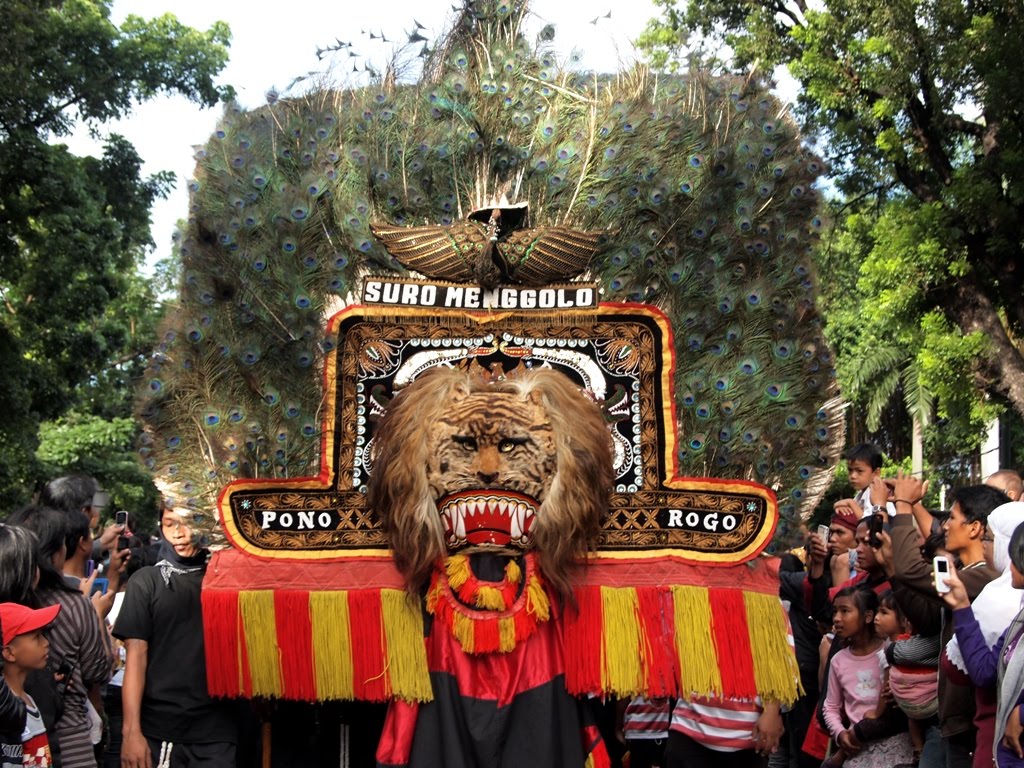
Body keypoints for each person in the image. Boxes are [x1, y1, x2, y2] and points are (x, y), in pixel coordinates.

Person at [887, 477, 1005, 768]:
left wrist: (903, 506)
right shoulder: (967, 572)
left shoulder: (983, 578)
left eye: (953, 518)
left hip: (970, 725)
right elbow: (927, 616)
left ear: (975, 528)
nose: (946, 526)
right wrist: (892, 570)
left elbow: (912, 569)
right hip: (952, 722)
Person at [114, 505, 237, 768]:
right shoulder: (146, 582)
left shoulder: (228, 583)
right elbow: (136, 658)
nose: (178, 534)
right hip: (161, 731)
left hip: (219, 731)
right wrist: (131, 732)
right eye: (169, 524)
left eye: (188, 522)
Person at [8, 507, 114, 768]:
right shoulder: (73, 604)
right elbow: (98, 671)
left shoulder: (12, 600)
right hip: (70, 743)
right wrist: (96, 615)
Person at [944, 501, 1024, 768]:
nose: (987, 546)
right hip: (998, 749)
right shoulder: (1019, 616)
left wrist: (1021, 713)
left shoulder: (1006, 602)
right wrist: (962, 608)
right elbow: (986, 671)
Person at [821, 586, 913, 767]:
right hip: (857, 750)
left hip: (895, 746)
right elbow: (830, 706)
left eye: (845, 611)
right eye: (835, 612)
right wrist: (840, 734)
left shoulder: (890, 651)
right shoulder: (838, 661)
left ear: (868, 616)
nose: (837, 619)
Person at [876, 590, 939, 765]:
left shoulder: (903, 647)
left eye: (884, 612)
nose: (876, 617)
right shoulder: (898, 646)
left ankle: (918, 749)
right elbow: (889, 684)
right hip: (913, 707)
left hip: (932, 707)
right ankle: (918, 749)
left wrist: (876, 714)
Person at [0, 601, 62, 767]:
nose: (46, 642)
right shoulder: (6, 711)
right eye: (36, 637)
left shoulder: (28, 699)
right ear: (9, 652)